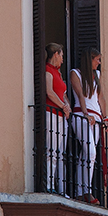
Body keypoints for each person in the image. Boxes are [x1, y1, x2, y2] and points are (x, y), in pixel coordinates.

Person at [69, 48, 105, 204]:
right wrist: (85, 114)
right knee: (90, 152)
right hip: (82, 116)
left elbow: (100, 98)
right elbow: (80, 95)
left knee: (87, 155)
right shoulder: (75, 73)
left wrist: (105, 117)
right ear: (89, 59)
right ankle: (84, 191)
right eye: (97, 59)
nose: (99, 62)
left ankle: (81, 191)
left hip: (95, 119)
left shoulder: (96, 75)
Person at [43, 43, 70, 195]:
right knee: (51, 151)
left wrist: (67, 106)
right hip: (52, 113)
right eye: (62, 56)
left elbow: (63, 93)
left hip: (60, 116)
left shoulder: (58, 73)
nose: (62, 59)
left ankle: (60, 188)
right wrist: (63, 106)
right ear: (56, 54)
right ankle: (49, 185)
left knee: (59, 154)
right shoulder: (48, 70)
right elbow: (49, 92)